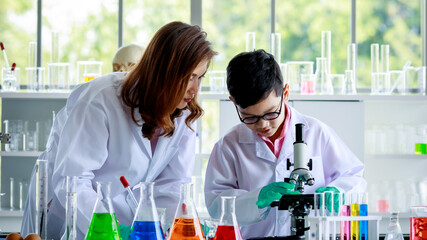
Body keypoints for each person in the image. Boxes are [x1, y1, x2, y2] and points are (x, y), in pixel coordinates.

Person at [21, 21, 216, 239]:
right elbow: (73, 181)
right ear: (163, 71)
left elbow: (172, 184)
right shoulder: (100, 99)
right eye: (189, 76)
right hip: (72, 217)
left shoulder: (185, 113)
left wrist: (172, 228)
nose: (195, 88)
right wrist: (108, 228)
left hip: (127, 221)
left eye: (200, 77)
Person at [204, 49, 366, 239]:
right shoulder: (228, 146)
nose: (263, 124)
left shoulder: (316, 132)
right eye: (250, 117)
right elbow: (216, 205)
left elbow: (354, 176)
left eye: (271, 113)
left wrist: (338, 190)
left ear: (285, 93)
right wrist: (256, 199)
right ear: (233, 103)